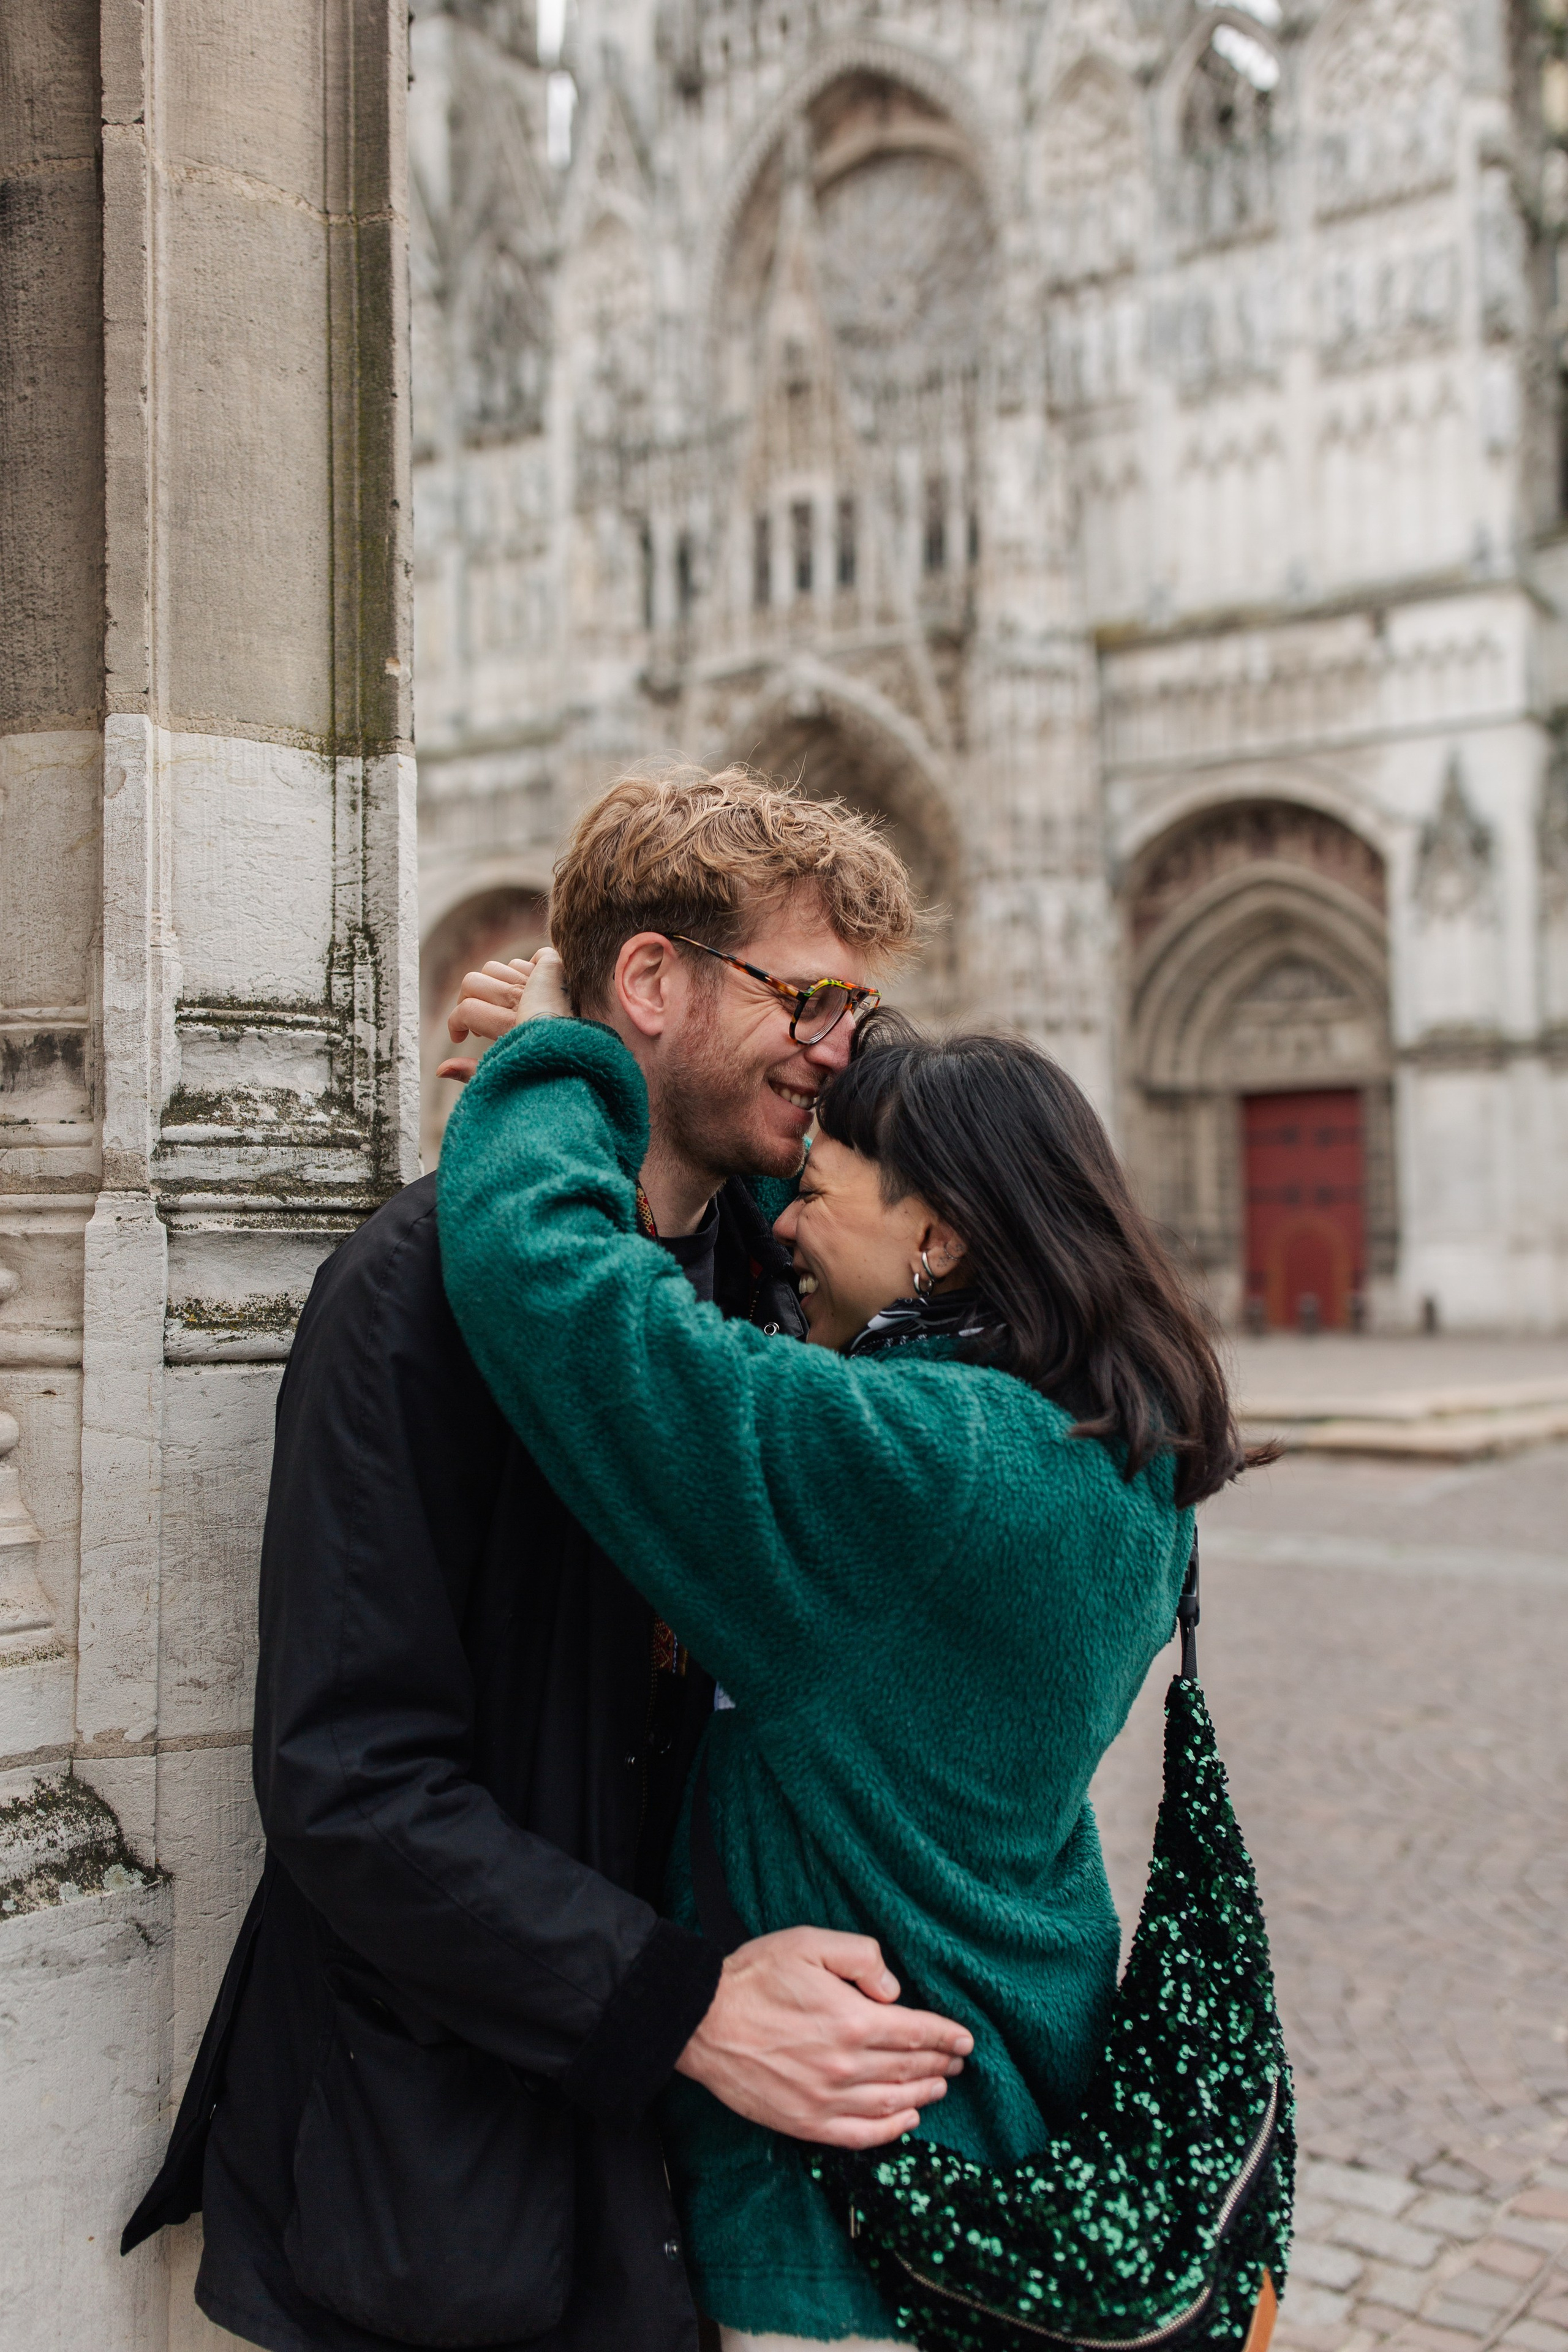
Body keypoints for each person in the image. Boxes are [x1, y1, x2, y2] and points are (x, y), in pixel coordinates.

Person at [121, 767, 973, 2352]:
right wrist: (692, 2008)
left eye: (856, 1006)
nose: (841, 1046)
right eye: (808, 996)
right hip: (445, 2176)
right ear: (649, 980)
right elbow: (350, 1780)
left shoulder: (763, 1290)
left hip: (677, 2182)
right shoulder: (408, 1294)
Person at [435, 951, 1259, 2352]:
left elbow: (557, 1292)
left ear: (938, 1234)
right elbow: (814, 1245)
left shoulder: (921, 1469)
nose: (787, 1219)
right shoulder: (1113, 1460)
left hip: (854, 2220)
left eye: (818, 1187)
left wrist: (557, 1073)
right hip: (1014, 2095)